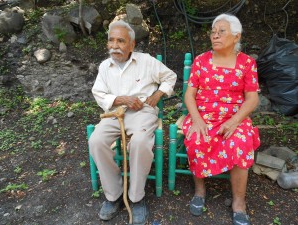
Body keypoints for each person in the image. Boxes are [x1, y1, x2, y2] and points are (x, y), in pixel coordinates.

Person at [89, 20, 177, 225]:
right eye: (111, 40)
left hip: (142, 112)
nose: (114, 45)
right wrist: (121, 99)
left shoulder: (146, 61)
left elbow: (170, 77)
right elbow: (99, 93)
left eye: (120, 41)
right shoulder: (105, 66)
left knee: (139, 143)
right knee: (96, 141)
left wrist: (158, 94)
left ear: (132, 44)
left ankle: (136, 197)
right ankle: (114, 195)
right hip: (115, 113)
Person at [182, 13, 260, 225]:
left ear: (236, 37)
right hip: (203, 115)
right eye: (213, 32)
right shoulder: (201, 61)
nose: (215, 36)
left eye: (221, 32)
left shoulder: (247, 63)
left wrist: (234, 121)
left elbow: (252, 99)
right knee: (197, 139)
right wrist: (196, 119)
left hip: (235, 116)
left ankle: (239, 202)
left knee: (241, 143)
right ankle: (199, 191)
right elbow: (189, 95)